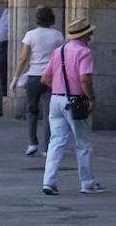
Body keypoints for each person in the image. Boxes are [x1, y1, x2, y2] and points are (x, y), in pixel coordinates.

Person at [40, 17, 106, 196]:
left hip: (56, 100)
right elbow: (85, 78)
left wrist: (60, 90)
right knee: (83, 143)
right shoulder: (84, 52)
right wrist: (91, 97)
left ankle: (49, 182)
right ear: (85, 35)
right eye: (89, 33)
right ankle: (87, 183)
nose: (91, 35)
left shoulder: (58, 51)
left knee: (56, 142)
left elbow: (45, 78)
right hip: (75, 101)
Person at [10, 6, 63, 156]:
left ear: (37, 19)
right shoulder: (58, 35)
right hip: (51, 77)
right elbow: (61, 58)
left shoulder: (30, 35)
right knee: (49, 113)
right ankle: (47, 147)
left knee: (31, 110)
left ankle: (32, 142)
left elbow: (23, 58)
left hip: (34, 76)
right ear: (52, 19)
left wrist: (15, 78)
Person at [0, 0, 10, 116]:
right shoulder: (5, 10)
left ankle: (8, 101)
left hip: (9, 45)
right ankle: (5, 101)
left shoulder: (14, 11)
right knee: (3, 73)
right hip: (2, 45)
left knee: (7, 73)